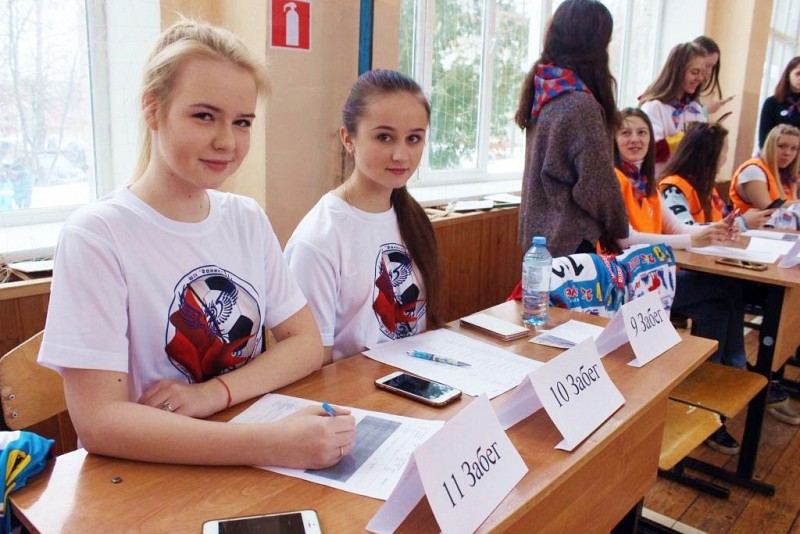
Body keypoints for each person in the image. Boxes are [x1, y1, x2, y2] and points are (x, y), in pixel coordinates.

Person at [37, 19, 355, 468]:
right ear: (153, 110)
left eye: (242, 122)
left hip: (241, 448)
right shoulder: (96, 235)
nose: (226, 141)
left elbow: (304, 342)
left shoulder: (245, 218)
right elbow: (99, 421)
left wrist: (213, 393)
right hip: (149, 475)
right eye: (204, 116)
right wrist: (271, 444)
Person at [613, 109, 746, 454]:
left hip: (656, 281)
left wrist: (714, 230)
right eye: (626, 133)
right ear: (613, 139)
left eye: (642, 132)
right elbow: (625, 238)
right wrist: (692, 239)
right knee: (726, 288)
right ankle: (735, 367)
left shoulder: (648, 183)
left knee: (716, 308)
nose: (635, 139)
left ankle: (703, 399)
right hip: (628, 287)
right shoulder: (614, 178)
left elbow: (678, 228)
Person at [284, 70, 440, 364]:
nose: (401, 155)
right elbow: (314, 363)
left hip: (414, 377)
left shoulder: (413, 218)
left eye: (413, 138)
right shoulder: (318, 239)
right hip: (353, 390)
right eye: (384, 137)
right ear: (349, 139)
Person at [515, 0, 628, 258]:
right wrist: (620, 228)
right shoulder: (579, 104)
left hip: (540, 242)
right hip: (571, 242)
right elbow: (597, 185)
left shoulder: (544, 91)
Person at [660, 122, 773, 231]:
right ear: (709, 154)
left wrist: (747, 220)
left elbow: (725, 218)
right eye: (725, 151)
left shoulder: (706, 187)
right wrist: (742, 222)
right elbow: (684, 229)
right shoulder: (674, 188)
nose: (725, 158)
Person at [639, 42, 709, 175]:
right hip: (659, 181)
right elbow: (652, 150)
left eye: (703, 73)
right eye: (694, 72)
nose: (700, 78)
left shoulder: (696, 109)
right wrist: (690, 139)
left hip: (687, 181)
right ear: (677, 71)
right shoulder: (654, 107)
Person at [730, 123, 800, 214]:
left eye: (794, 148)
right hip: (750, 223)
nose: (787, 153)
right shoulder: (753, 170)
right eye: (782, 146)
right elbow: (767, 209)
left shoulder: (789, 175)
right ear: (770, 146)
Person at [758, 56, 800, 148]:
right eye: (798, 74)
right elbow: (764, 138)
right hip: (776, 153)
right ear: (788, 75)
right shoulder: (772, 103)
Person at [692, 36, 734, 116]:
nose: (709, 72)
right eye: (707, 65)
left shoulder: (695, 98)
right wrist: (706, 110)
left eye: (712, 66)